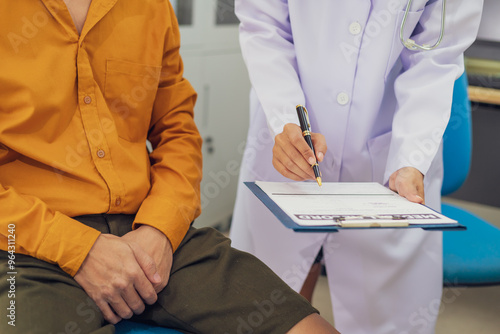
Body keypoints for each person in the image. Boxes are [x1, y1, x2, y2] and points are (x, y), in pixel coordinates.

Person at [0, 1, 339, 333]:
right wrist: (77, 249)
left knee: (310, 328)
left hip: (146, 231)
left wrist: (161, 229)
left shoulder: (152, 7)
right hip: (26, 245)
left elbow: (177, 133)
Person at [231, 1, 483, 333]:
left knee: (383, 318)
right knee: (271, 306)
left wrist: (410, 158)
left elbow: (435, 57)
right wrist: (284, 117)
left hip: (387, 150)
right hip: (290, 138)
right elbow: (264, 25)